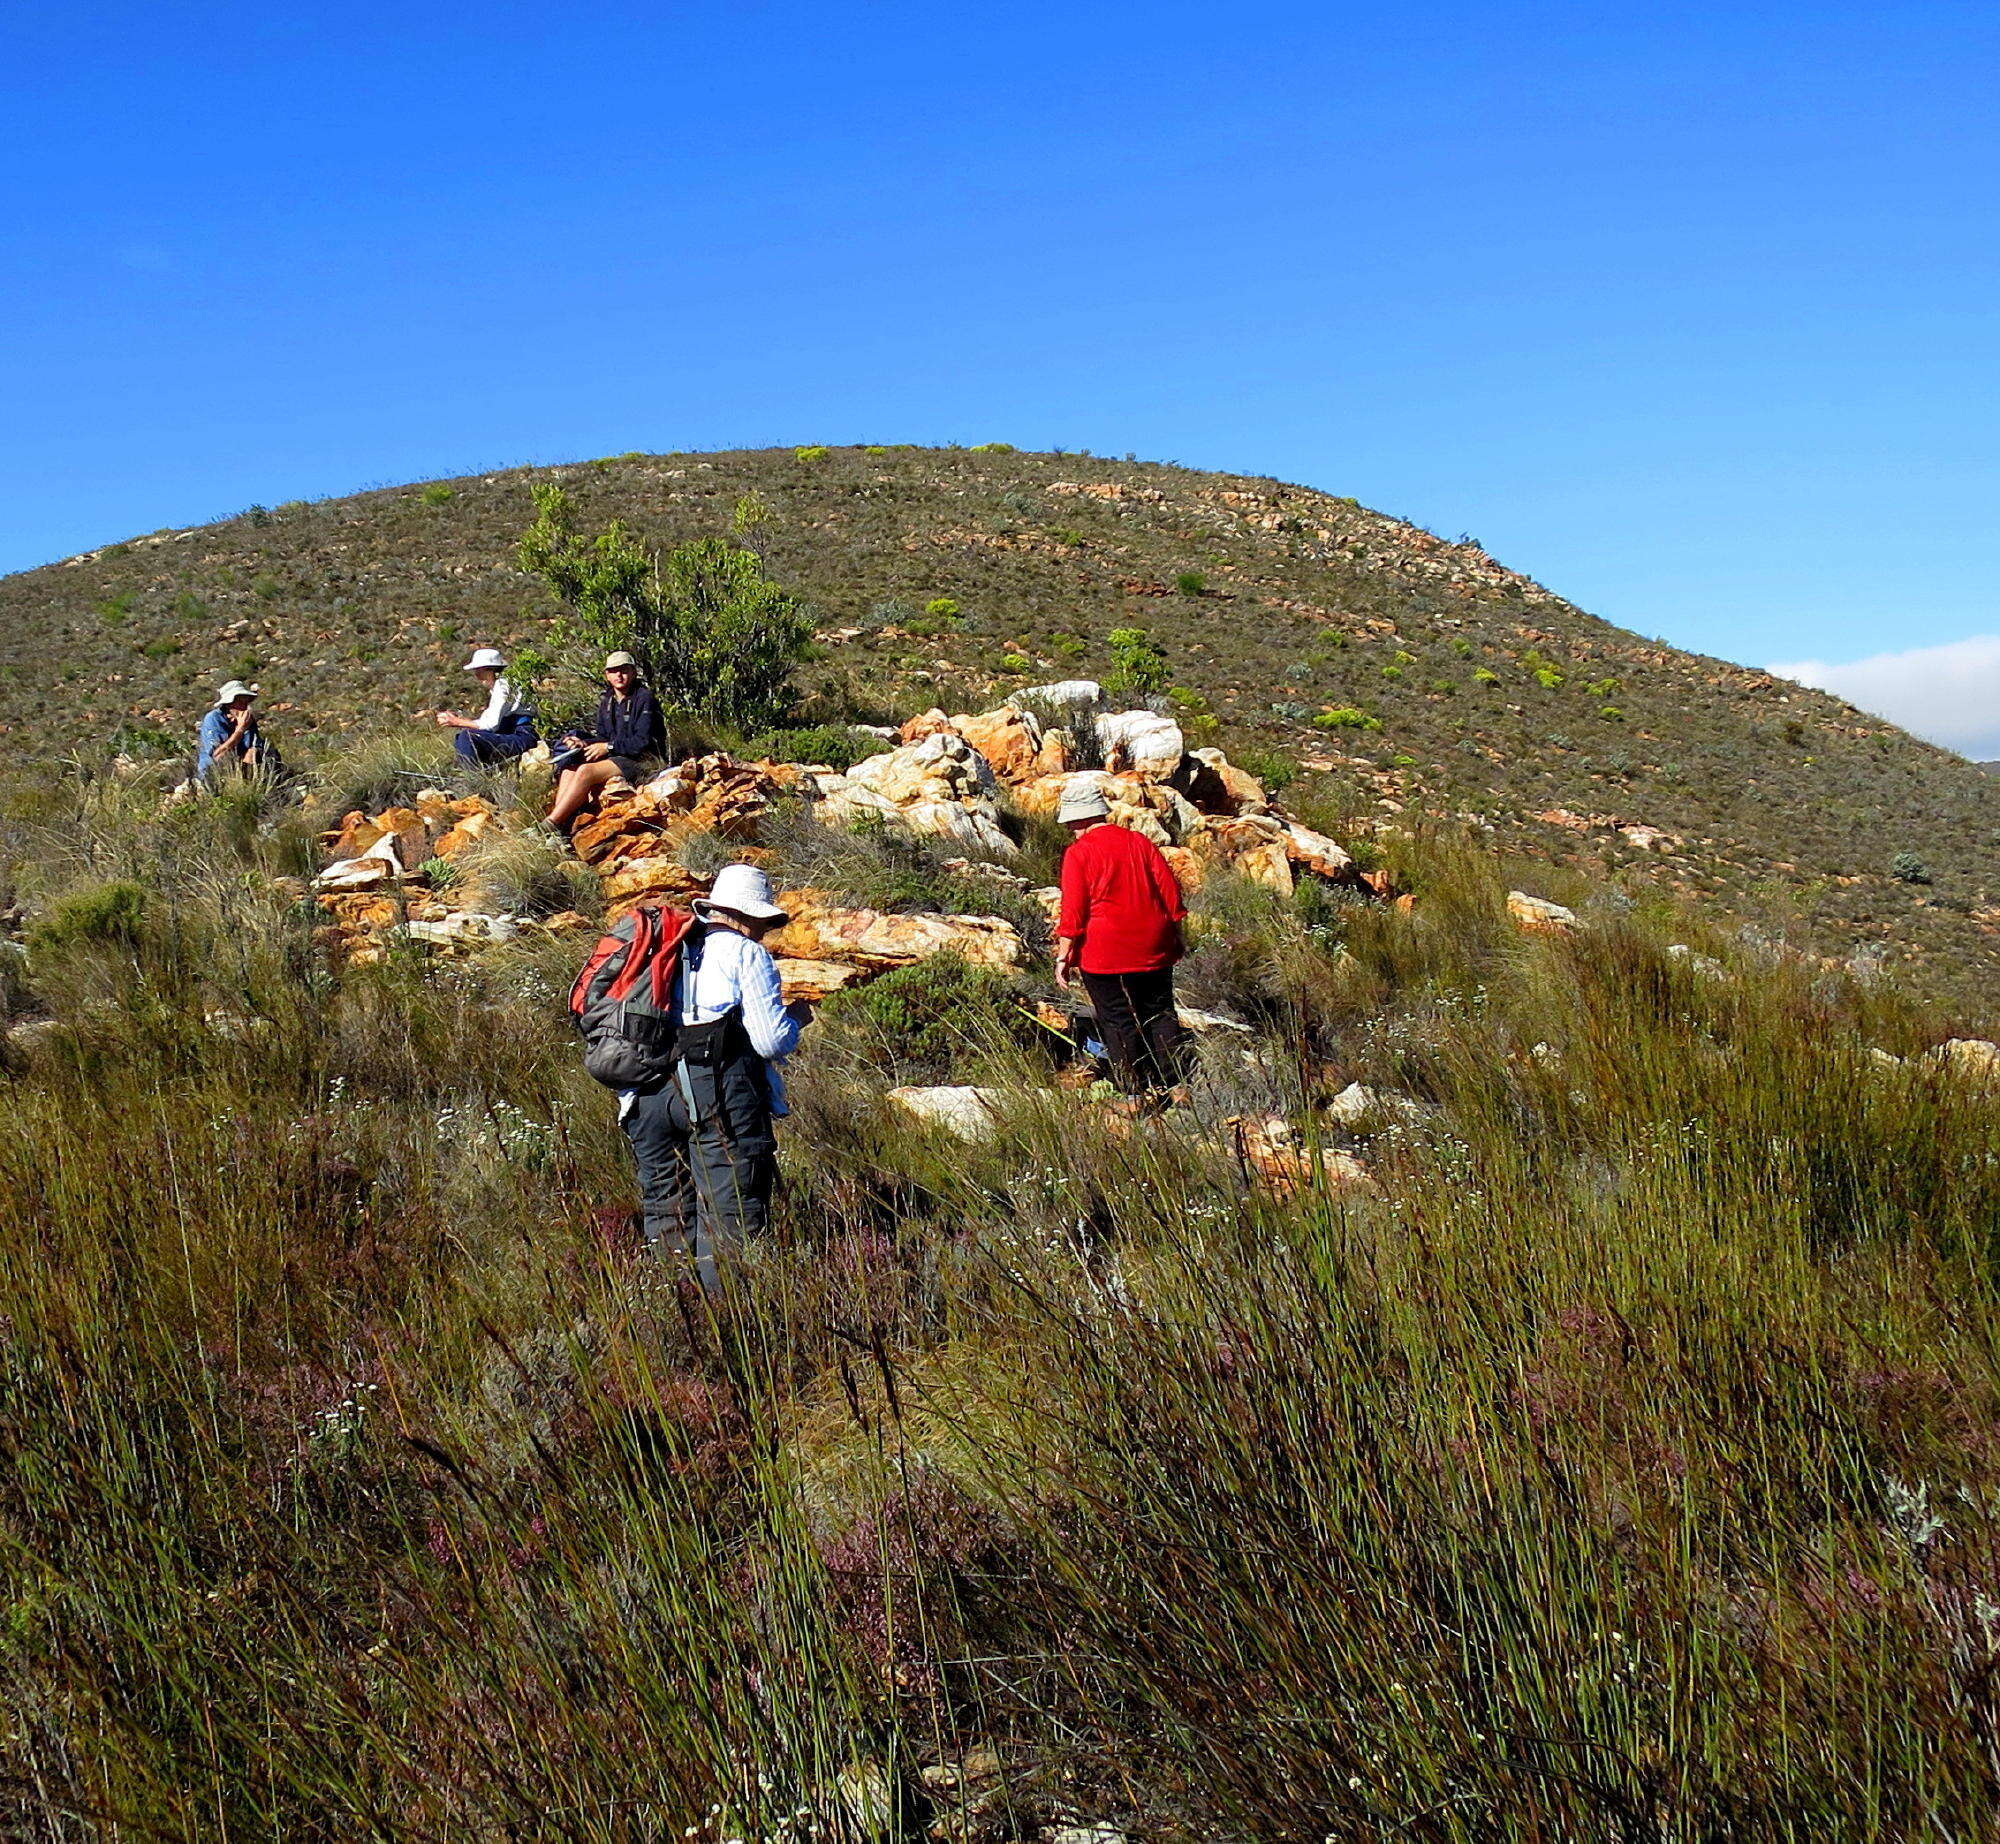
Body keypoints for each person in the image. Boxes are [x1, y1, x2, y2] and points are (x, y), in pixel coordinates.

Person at [618, 863, 804, 1290]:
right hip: (717, 1091)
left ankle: (673, 1316)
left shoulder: (671, 947)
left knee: (666, 1211)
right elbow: (770, 1041)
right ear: (748, 915)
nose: (764, 932)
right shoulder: (746, 953)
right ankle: (730, 1320)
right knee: (730, 1213)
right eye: (762, 922)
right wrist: (795, 1019)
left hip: (646, 1092)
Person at [1053, 779, 1192, 1104]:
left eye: (1071, 821)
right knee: (1159, 1012)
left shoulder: (1079, 853)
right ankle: (1176, 1085)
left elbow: (1073, 913)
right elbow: (1170, 894)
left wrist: (1063, 957)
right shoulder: (1139, 842)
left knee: (1116, 1018)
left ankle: (1134, 1092)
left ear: (1080, 818)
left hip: (1105, 951)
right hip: (1153, 943)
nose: (1070, 828)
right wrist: (1175, 937)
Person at [546, 651, 668, 835]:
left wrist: (608, 747)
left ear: (633, 672)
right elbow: (603, 735)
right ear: (607, 675)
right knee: (569, 768)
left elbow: (642, 742)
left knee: (585, 772)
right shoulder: (608, 700)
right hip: (619, 755)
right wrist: (583, 743)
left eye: (624, 670)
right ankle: (560, 825)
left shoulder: (644, 699)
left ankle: (550, 824)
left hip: (644, 759)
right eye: (613, 671)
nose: (619, 675)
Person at [434, 647, 538, 765]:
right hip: (515, 735)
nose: (477, 675)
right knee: (463, 738)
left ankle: (473, 779)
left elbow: (490, 725)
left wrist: (456, 721)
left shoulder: (503, 685)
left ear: (491, 670)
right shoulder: (503, 685)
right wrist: (459, 720)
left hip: (522, 737)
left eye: (479, 670)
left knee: (466, 738)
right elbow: (485, 722)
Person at [196, 681, 279, 782]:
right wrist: (240, 729)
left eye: (246, 700)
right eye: (240, 701)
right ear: (229, 704)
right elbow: (218, 755)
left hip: (241, 769)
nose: (244, 705)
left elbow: (255, 747)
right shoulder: (213, 719)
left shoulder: (247, 720)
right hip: (214, 774)